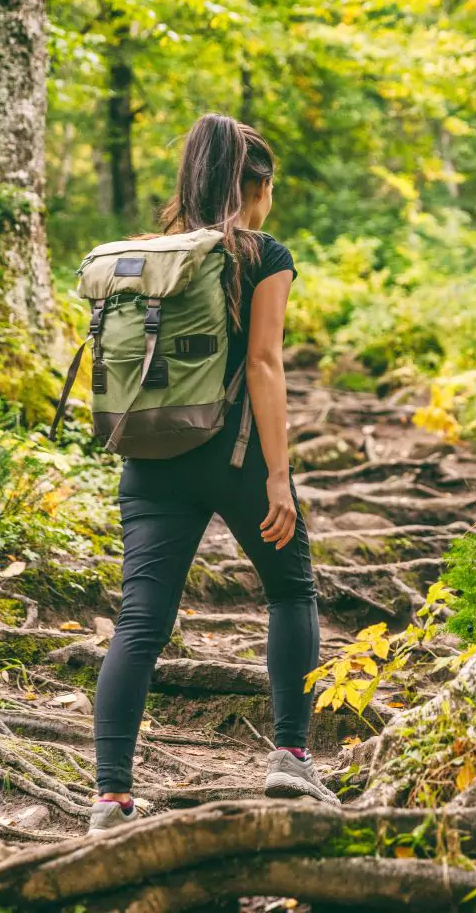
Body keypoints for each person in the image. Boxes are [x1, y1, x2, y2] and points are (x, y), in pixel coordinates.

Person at [88, 114, 337, 834]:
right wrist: (278, 476)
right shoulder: (262, 253)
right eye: (269, 190)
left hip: (151, 458)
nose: (270, 205)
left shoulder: (148, 254)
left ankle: (110, 796)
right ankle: (290, 757)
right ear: (252, 186)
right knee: (292, 591)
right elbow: (263, 363)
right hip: (235, 458)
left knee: (139, 621)